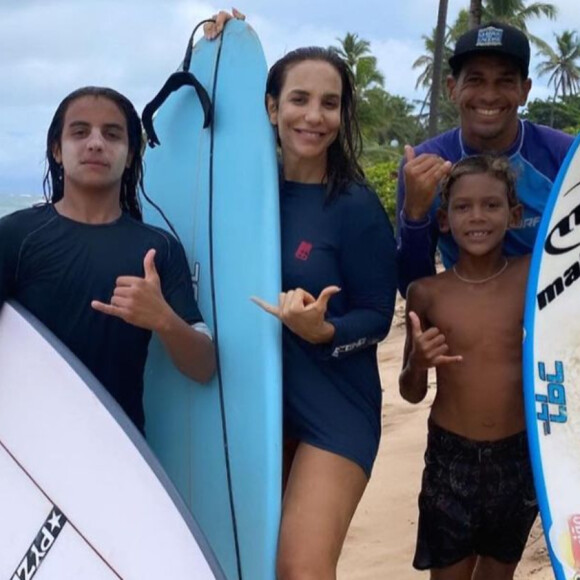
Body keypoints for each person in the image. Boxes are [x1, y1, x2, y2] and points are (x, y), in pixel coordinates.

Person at [205, 14, 398, 578]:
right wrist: (220, 46)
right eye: (299, 99)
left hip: (334, 409)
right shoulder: (237, 193)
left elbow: (378, 316)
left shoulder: (355, 206)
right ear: (271, 107)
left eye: (330, 103)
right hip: (253, 401)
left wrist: (325, 331)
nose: (314, 116)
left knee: (301, 570)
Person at [0, 86, 215, 433]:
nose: (96, 143)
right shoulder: (14, 236)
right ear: (57, 149)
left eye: (112, 134)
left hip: (118, 448)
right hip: (23, 448)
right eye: (80, 131)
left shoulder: (157, 250)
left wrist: (163, 319)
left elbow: (203, 366)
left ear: (131, 154)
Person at [399, 155, 536, 580]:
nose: (477, 216)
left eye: (491, 205)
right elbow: (410, 391)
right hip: (450, 456)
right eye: (463, 207)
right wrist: (420, 361)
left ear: (513, 215)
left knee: (498, 574)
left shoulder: (532, 276)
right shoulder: (427, 294)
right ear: (444, 220)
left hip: (519, 455)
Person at [396, 21, 574, 296]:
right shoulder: (423, 166)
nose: (489, 95)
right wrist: (415, 215)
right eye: (475, 80)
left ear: (524, 90)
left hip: (554, 324)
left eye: (504, 80)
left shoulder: (565, 158)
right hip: (469, 320)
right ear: (453, 88)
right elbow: (413, 285)